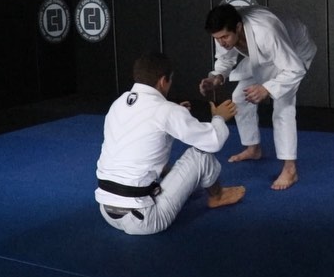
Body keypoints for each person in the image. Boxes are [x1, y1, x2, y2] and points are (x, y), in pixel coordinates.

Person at [95, 50, 245, 235]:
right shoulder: (167, 111)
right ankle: (218, 196)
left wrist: (176, 114)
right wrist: (219, 117)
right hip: (145, 219)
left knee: (147, 151)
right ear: (163, 81)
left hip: (106, 210)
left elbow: (147, 130)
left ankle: (186, 189)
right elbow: (213, 141)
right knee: (201, 155)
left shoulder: (118, 103)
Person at [199, 4, 316, 191]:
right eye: (217, 38)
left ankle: (290, 169)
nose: (221, 42)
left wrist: (267, 89)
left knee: (283, 105)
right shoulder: (225, 31)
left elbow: (295, 69)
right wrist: (217, 77)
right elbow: (225, 59)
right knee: (240, 97)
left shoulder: (266, 30)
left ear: (238, 27)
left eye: (224, 37)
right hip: (266, 55)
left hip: (294, 49)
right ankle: (253, 149)